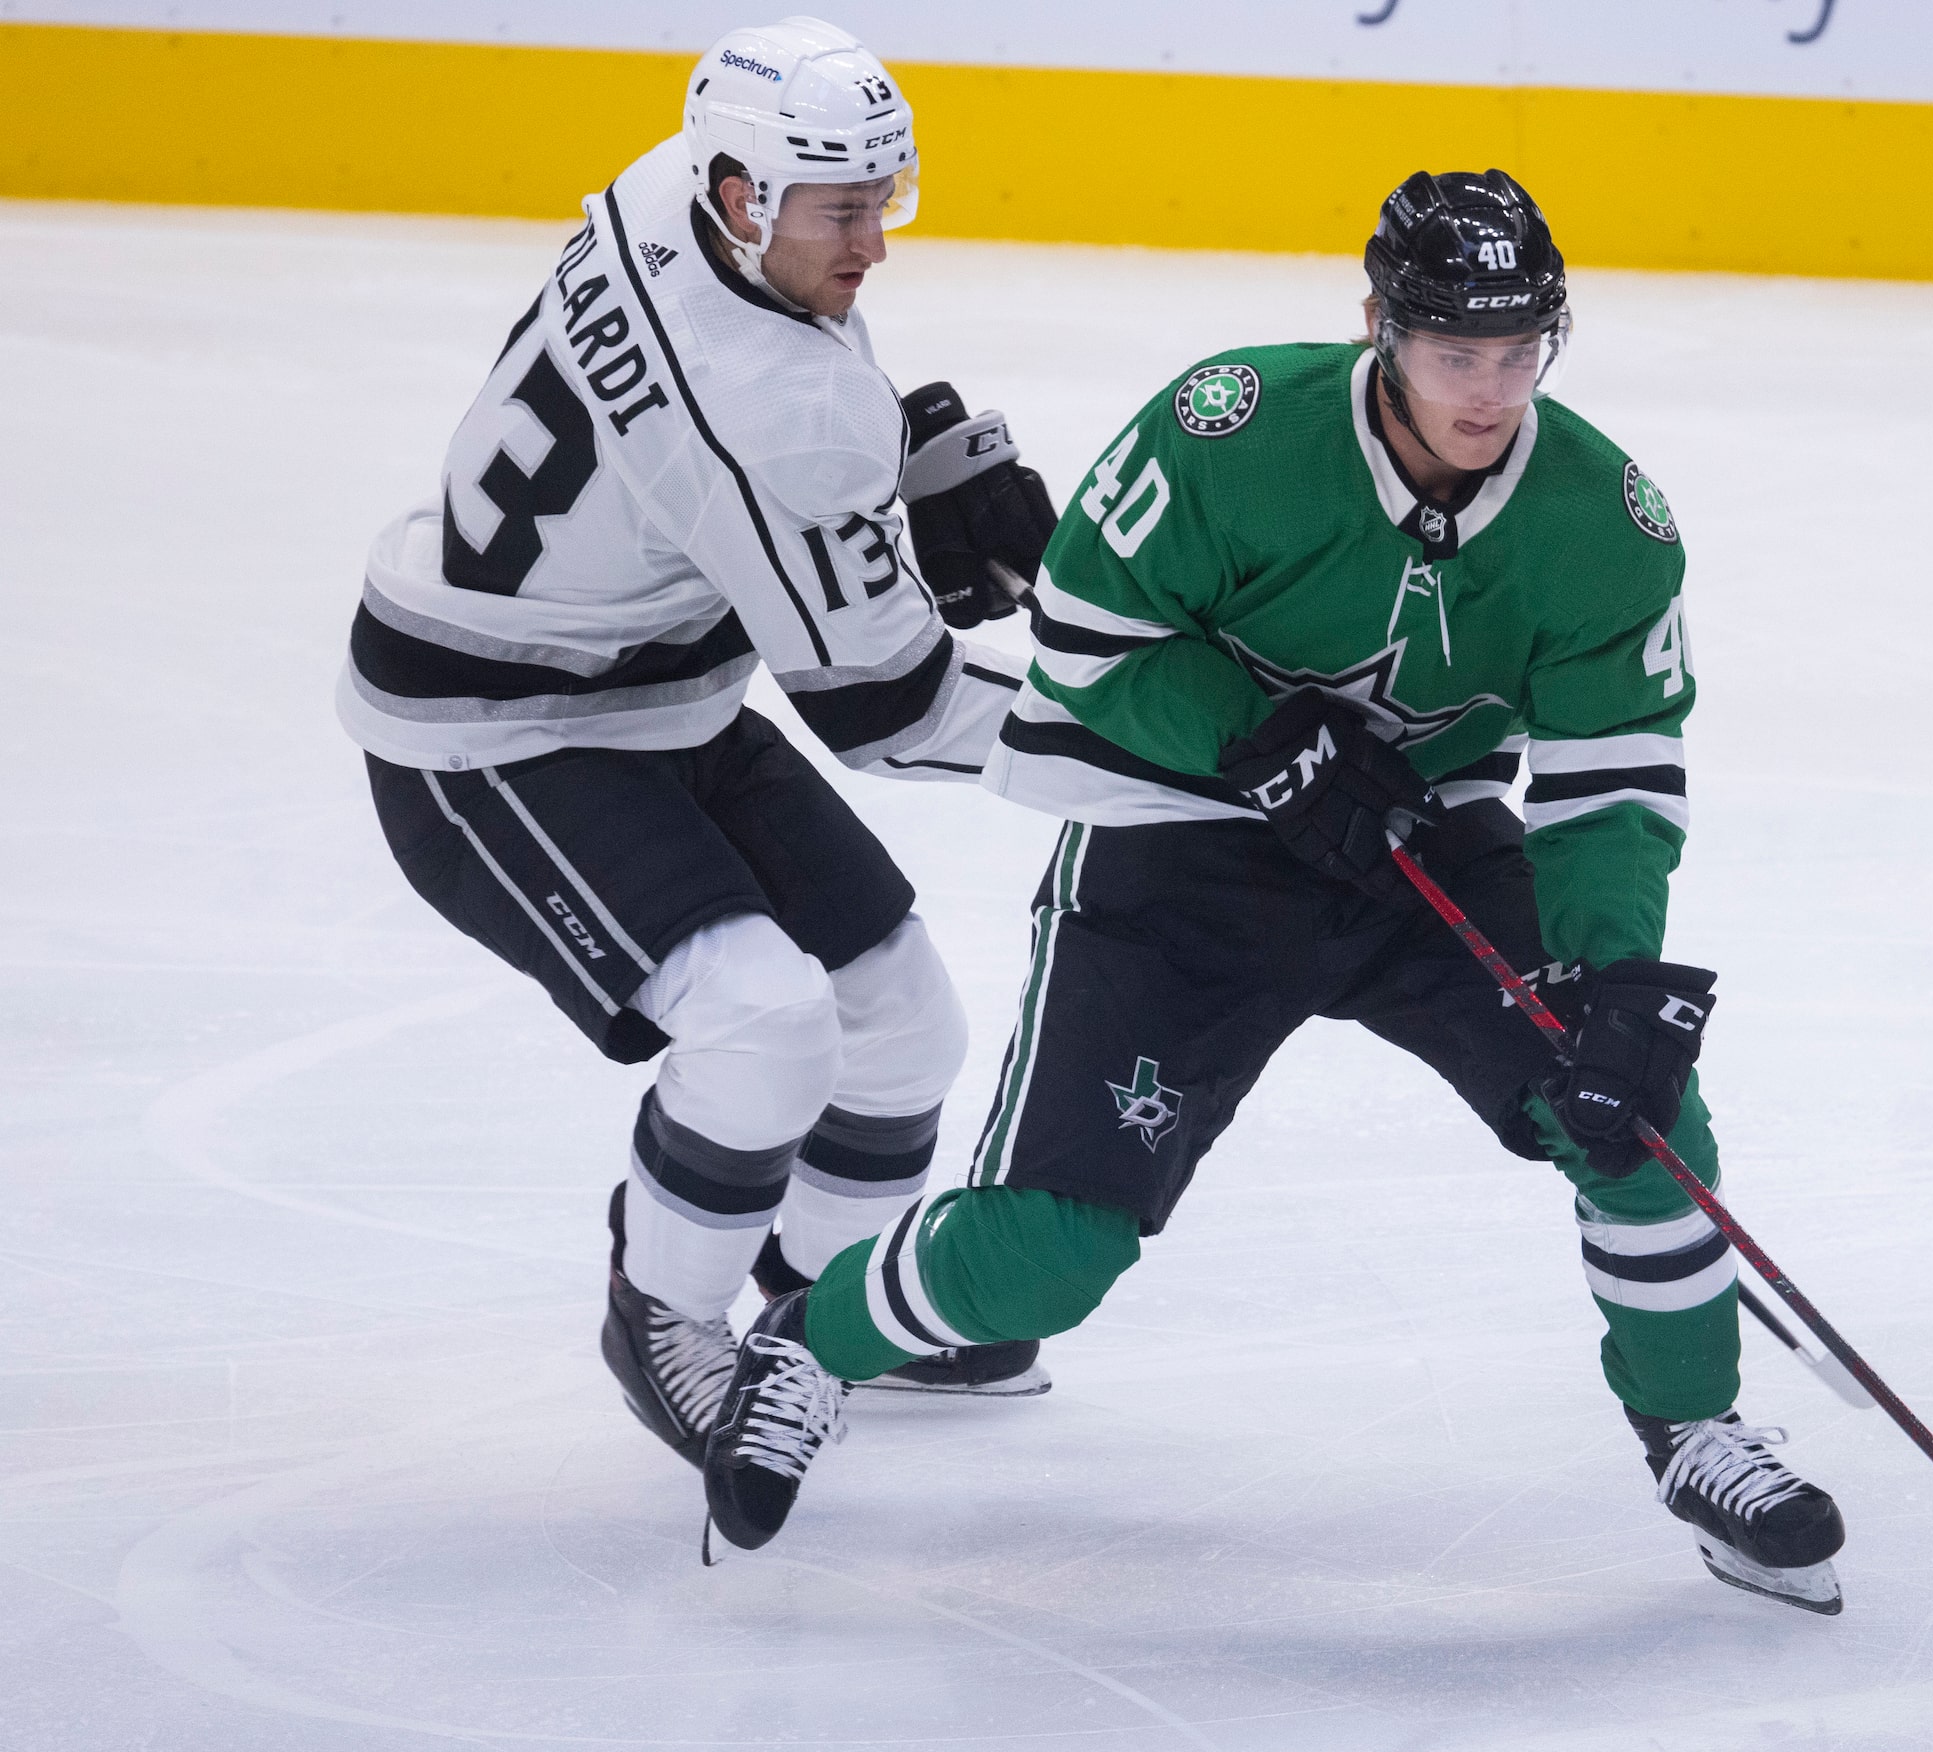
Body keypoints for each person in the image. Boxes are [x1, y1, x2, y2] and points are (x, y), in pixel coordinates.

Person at [700, 169, 1850, 1615]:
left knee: (1636, 1109)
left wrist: (1611, 975)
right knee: (1048, 1256)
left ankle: (1692, 1428)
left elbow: (1613, 781)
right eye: (1451, 354)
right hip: (1183, 845)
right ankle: (814, 1338)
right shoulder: (1231, 426)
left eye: (1517, 353)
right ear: (1376, 325)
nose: (1487, 391)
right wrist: (1257, 741)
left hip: (1422, 851)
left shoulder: (1602, 520)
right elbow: (1083, 638)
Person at [337, 17, 1059, 1479]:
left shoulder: (668, 179)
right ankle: (662, 1310)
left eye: (883, 199)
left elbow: (726, 444)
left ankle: (826, 1302)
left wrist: (875, 507)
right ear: (744, 196)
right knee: (762, 1022)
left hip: (648, 677)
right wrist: (1143, 749)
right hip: (492, 729)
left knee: (903, 1025)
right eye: (839, 209)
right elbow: (891, 712)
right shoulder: (778, 410)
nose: (871, 242)